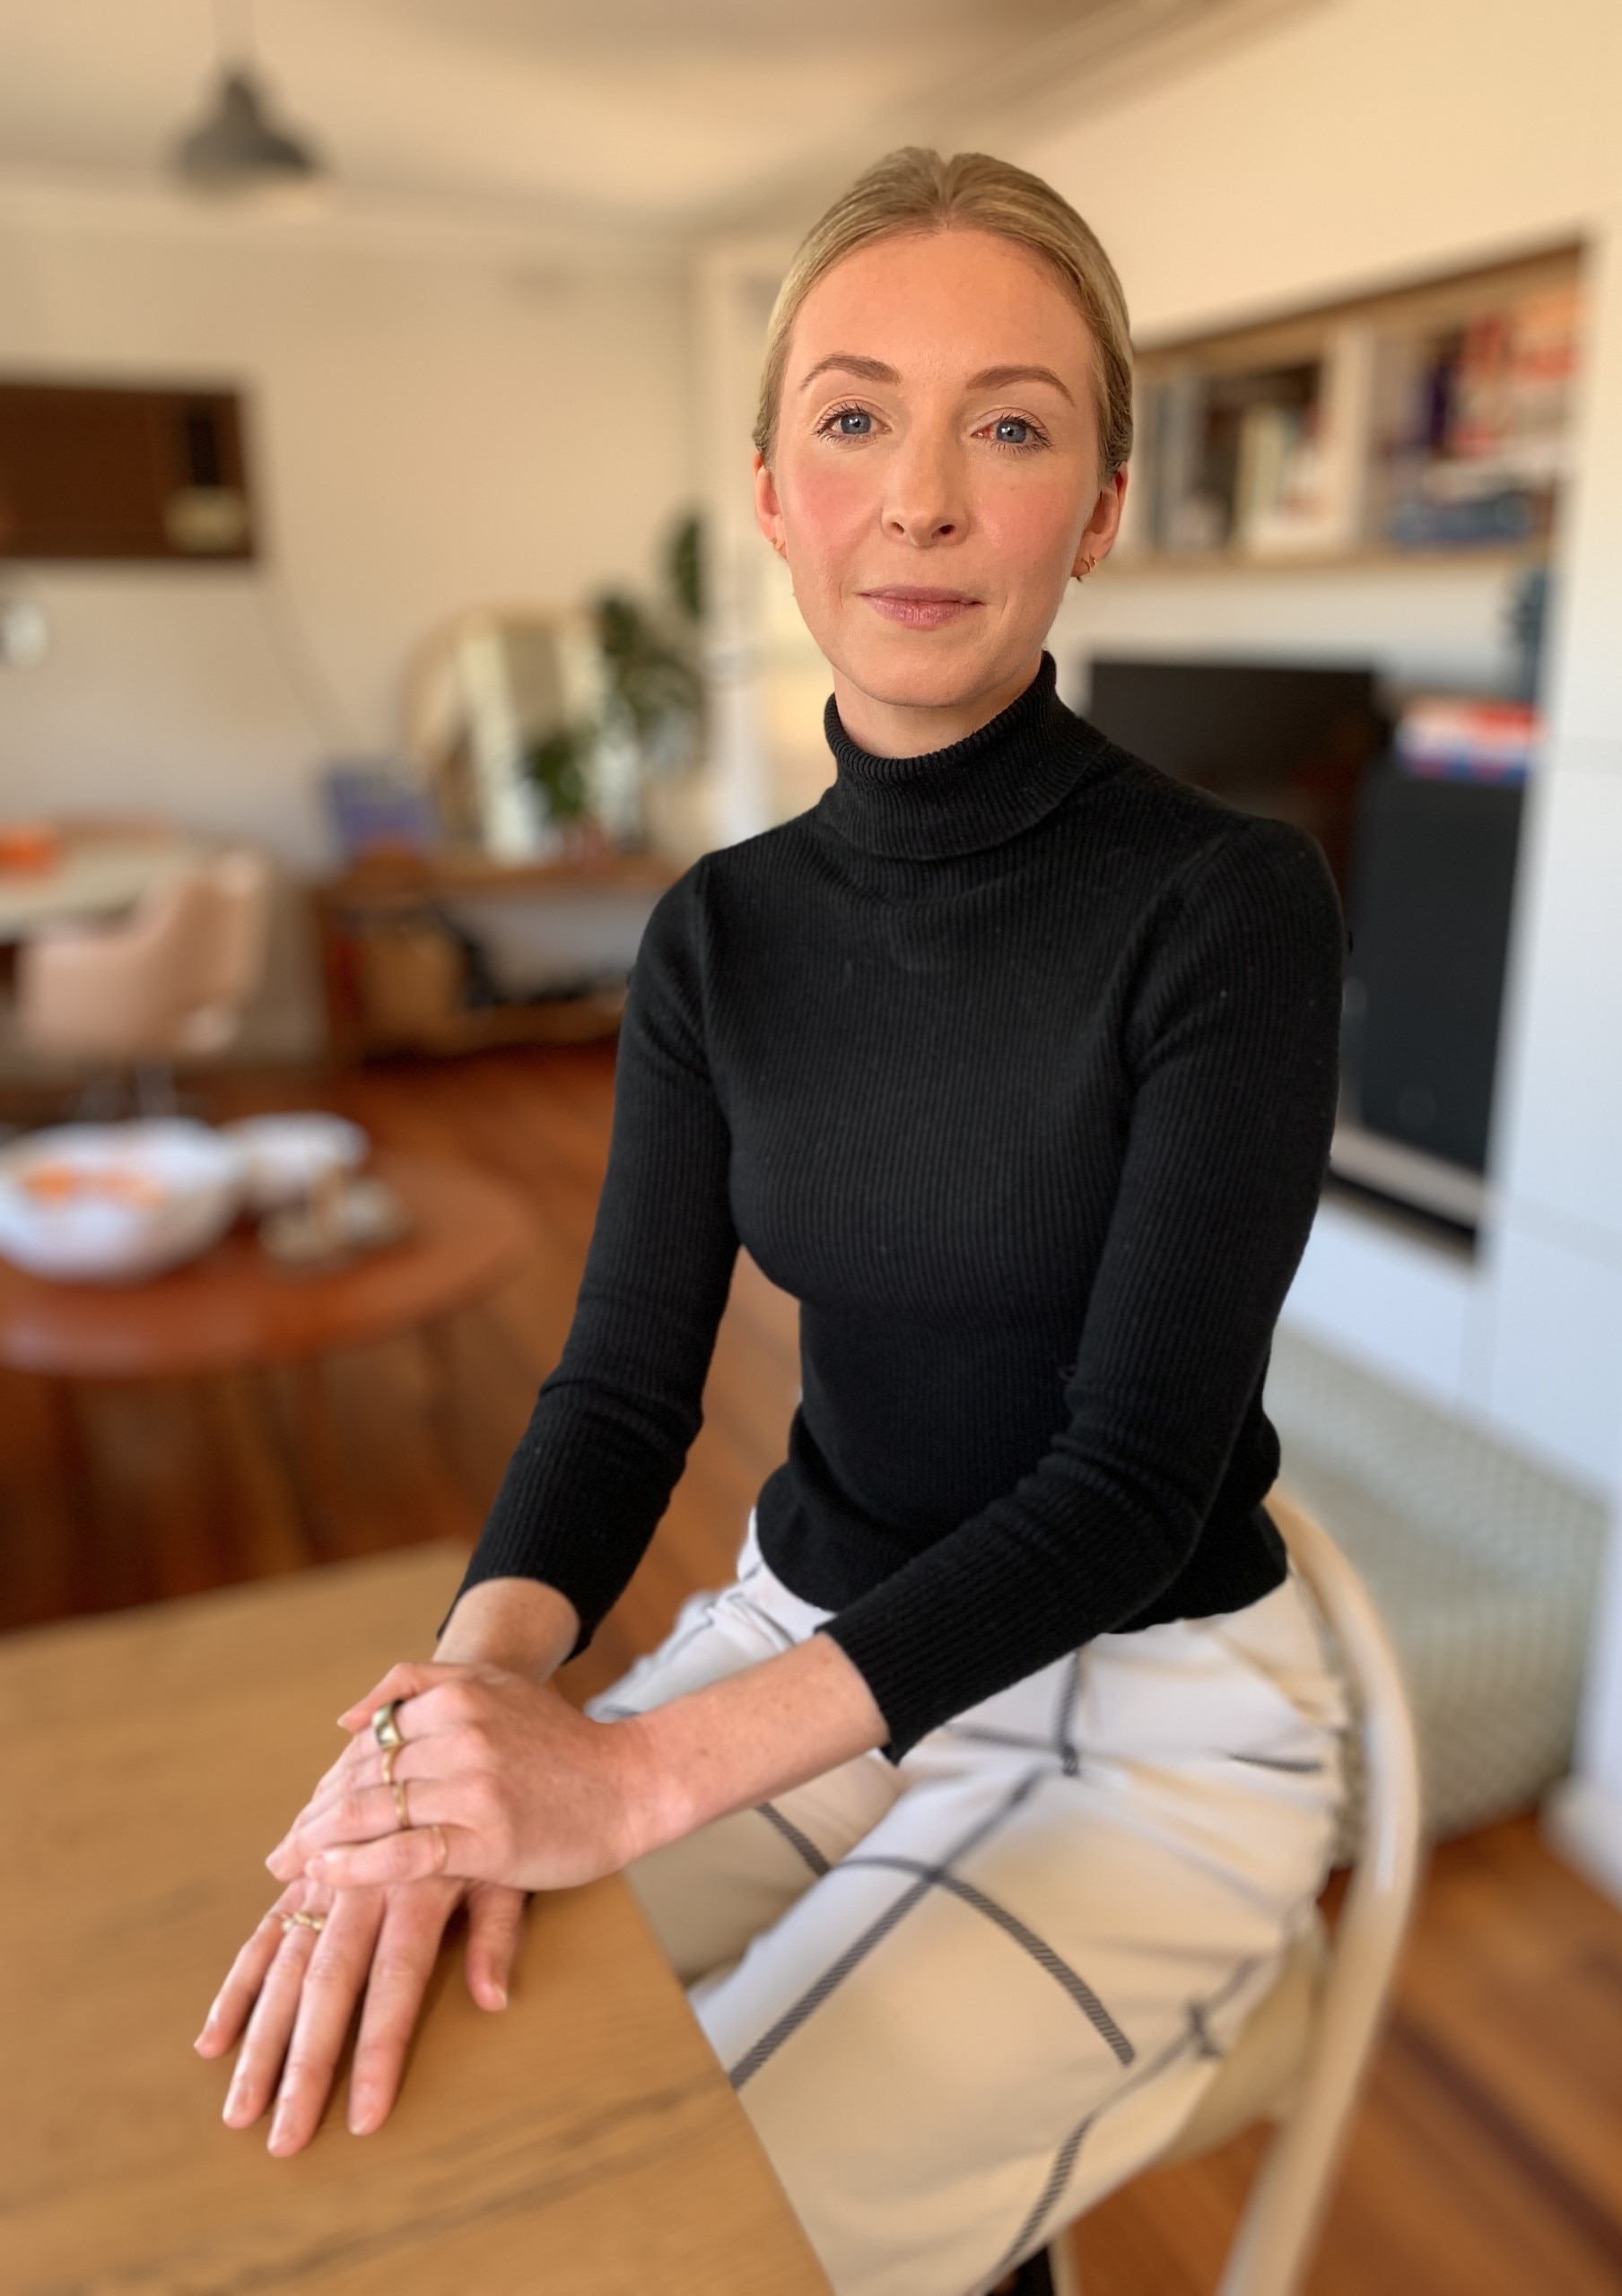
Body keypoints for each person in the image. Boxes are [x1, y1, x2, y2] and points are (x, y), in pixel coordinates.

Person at [197, 146, 1352, 2296]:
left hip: (1145, 1707)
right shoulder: (720, 934)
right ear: (770, 487)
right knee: (424, 2064)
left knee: (676, 2231)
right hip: (802, 1630)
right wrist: (442, 1729)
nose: (919, 494)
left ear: (1096, 511)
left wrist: (623, 1788)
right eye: (854, 414)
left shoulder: (1225, 905)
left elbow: (1124, 1487)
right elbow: (626, 1388)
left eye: (1008, 423)